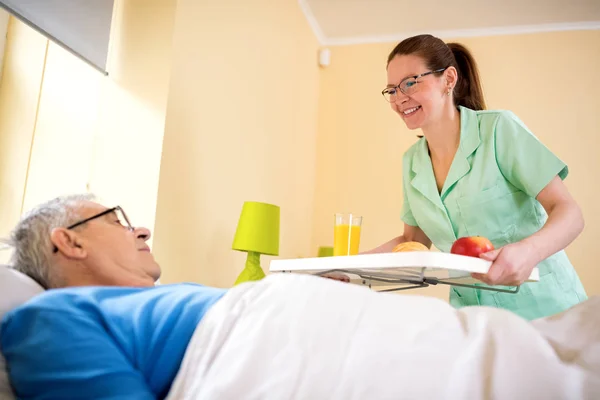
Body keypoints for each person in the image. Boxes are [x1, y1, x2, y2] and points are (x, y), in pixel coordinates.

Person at [366, 34, 587, 320]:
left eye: (410, 82)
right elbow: (413, 242)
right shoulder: (412, 162)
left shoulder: (498, 130)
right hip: (475, 319)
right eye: (392, 90)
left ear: (448, 79)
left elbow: (569, 213)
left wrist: (527, 252)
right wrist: (347, 266)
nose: (399, 98)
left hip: (548, 310)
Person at [1, 195, 228, 399]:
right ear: (71, 242)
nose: (143, 231)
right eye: (117, 222)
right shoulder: (51, 318)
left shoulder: (167, 301)